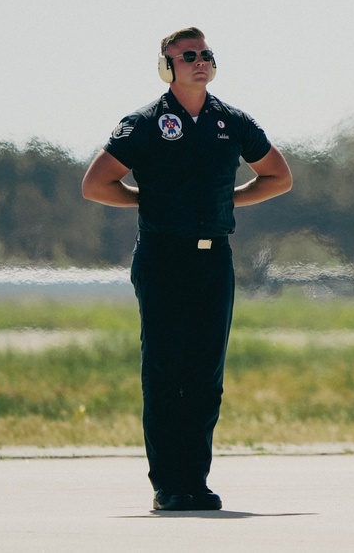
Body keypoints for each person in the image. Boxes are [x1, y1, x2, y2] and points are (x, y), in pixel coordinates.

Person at [82, 27, 292, 511]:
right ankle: (167, 485)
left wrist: (231, 198)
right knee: (164, 372)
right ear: (167, 66)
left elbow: (279, 176)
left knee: (204, 375)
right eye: (188, 55)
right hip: (163, 257)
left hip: (214, 258)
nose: (200, 62)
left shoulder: (231, 121)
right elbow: (96, 184)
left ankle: (194, 483)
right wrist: (144, 201)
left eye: (206, 55)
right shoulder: (145, 123)